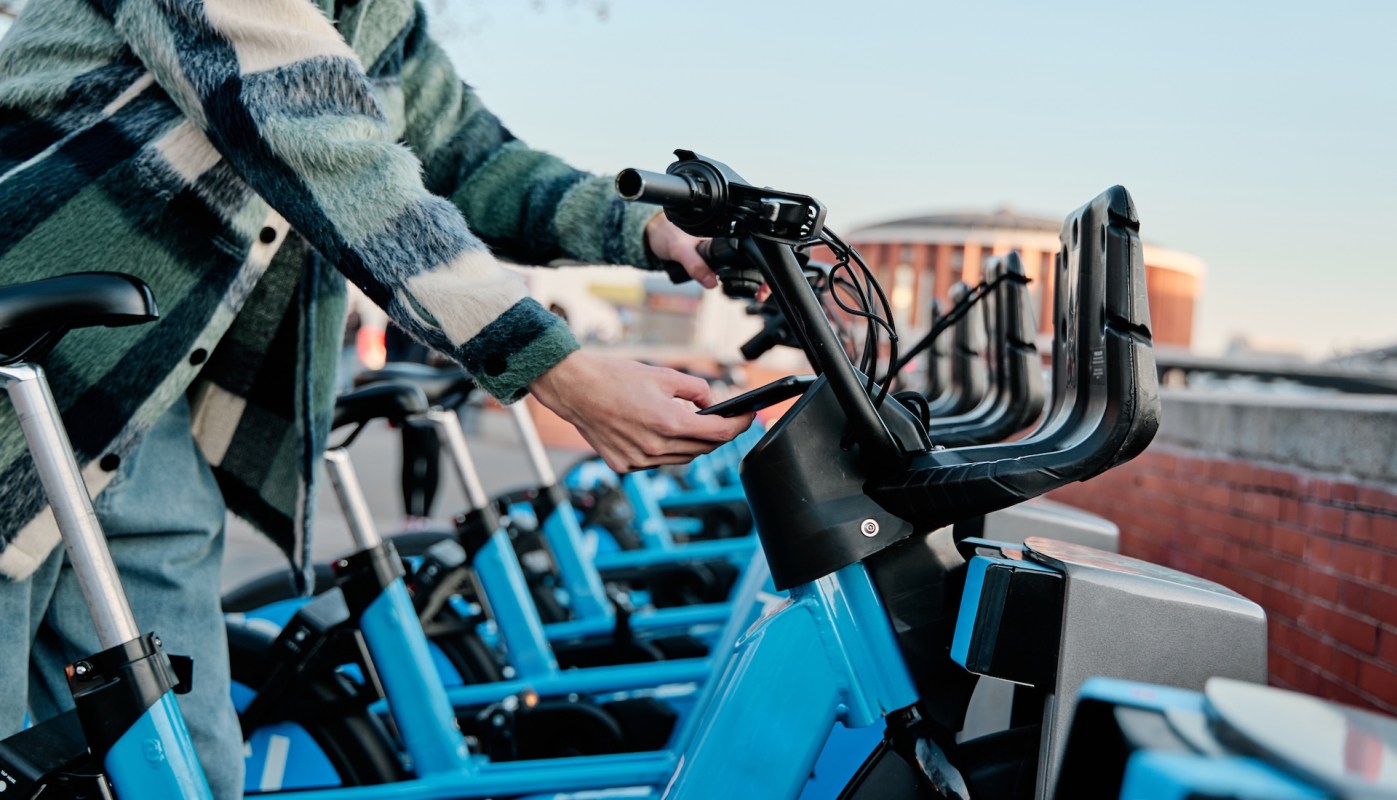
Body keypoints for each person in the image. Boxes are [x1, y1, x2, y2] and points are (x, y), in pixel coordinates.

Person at [0, 1, 752, 797]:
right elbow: (310, 132)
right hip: (19, 384)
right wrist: (556, 368)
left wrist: (655, 228)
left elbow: (470, 160)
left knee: (184, 766)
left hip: (143, 412)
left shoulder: (384, 17)